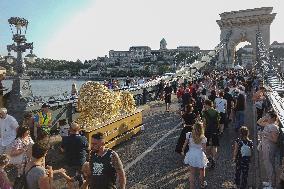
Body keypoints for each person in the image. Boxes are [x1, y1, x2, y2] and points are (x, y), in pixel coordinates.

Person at [182, 122, 208, 189]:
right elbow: (204, 149)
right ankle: (202, 184)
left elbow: (185, 144)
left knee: (192, 172)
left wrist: (182, 150)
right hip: (199, 155)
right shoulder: (203, 137)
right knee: (202, 170)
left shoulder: (189, 134)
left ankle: (191, 187)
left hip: (191, 154)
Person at [257, 110, 279, 188]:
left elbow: (275, 140)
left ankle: (272, 185)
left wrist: (264, 135)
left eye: (268, 117)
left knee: (270, 166)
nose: (267, 118)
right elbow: (259, 122)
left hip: (269, 148)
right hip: (266, 147)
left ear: (272, 118)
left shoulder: (274, 126)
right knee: (267, 165)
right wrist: (265, 116)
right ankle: (270, 182)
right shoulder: (269, 124)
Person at [202, 100, 220, 169]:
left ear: (207, 105)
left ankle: (208, 157)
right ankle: (213, 159)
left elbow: (204, 123)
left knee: (207, 145)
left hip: (207, 130)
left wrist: (203, 131)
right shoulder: (216, 112)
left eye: (205, 104)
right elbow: (218, 122)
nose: (204, 106)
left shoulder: (204, 112)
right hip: (214, 130)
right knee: (214, 145)